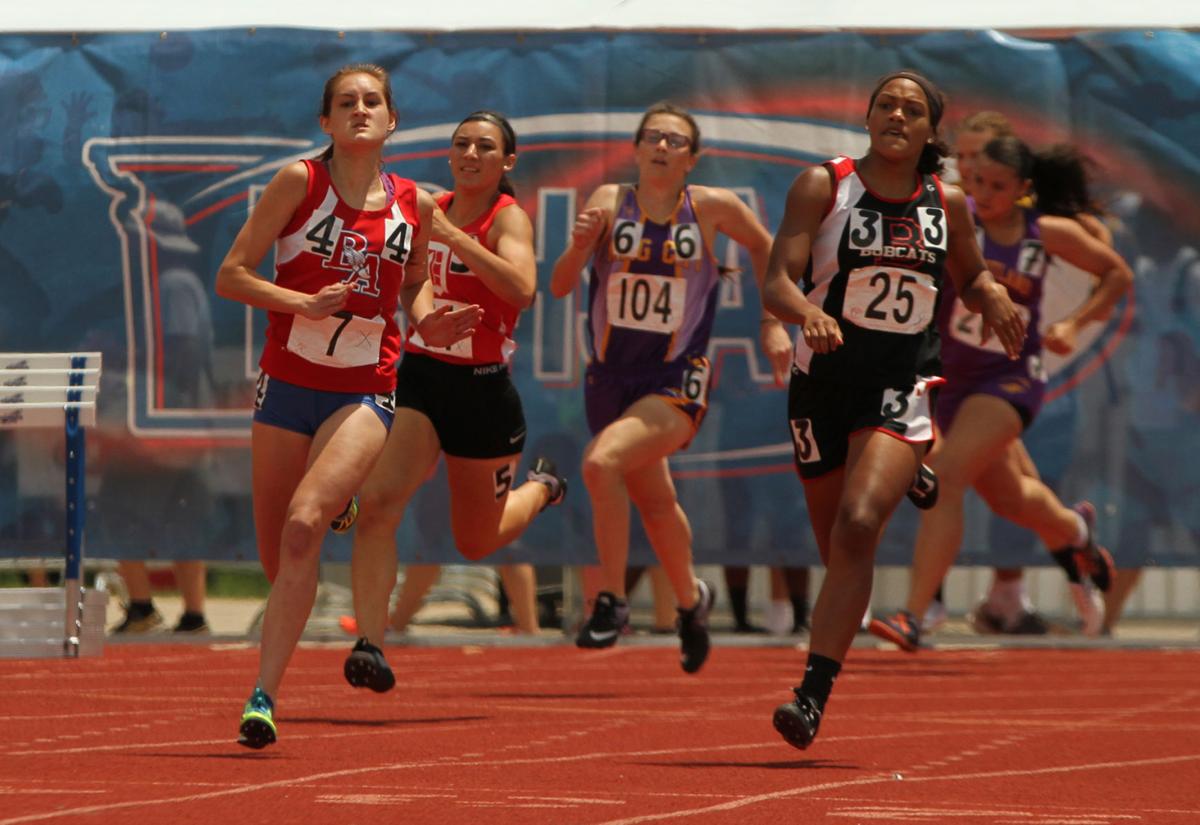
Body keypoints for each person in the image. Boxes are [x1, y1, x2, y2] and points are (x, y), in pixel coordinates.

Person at [215, 64, 478, 749]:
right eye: (345, 103)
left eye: (373, 102)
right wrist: (300, 301)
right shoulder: (298, 182)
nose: (360, 110)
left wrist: (428, 319)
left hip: (366, 385)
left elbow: (414, 284)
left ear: (393, 121)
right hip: (287, 383)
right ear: (325, 121)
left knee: (305, 526)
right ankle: (340, 502)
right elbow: (232, 274)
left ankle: (263, 695)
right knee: (280, 559)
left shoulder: (415, 203)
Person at [762, 70, 1026, 750]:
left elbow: (968, 273)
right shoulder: (825, 185)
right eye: (886, 105)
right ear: (870, 116)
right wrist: (806, 312)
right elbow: (777, 282)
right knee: (837, 549)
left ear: (929, 130)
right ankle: (908, 468)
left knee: (857, 525)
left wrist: (990, 293)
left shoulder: (949, 202)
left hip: (901, 380)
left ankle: (810, 696)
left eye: (912, 109)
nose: (897, 116)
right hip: (822, 383)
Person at [869, 134, 1134, 652]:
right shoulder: (948, 217)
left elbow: (1116, 273)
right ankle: (1074, 532)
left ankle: (915, 616)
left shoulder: (1043, 234)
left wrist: (1075, 324)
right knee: (1011, 498)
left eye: (997, 186)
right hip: (948, 378)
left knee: (943, 478)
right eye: (976, 183)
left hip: (1009, 379)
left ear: (1022, 190)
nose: (984, 194)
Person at [338, 110, 566, 692]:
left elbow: (523, 289)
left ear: (506, 162)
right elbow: (412, 278)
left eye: (485, 147)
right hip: (423, 377)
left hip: (483, 390)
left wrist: (457, 237)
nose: (470, 154)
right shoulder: (426, 205)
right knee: (381, 502)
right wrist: (424, 310)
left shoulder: (508, 218)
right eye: (461, 144)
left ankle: (542, 488)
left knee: (475, 541)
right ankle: (371, 643)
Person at [550, 102, 773, 673]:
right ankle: (690, 602)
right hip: (610, 377)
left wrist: (774, 322)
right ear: (637, 148)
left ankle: (613, 601)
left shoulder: (713, 208)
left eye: (676, 140)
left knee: (601, 465)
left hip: (676, 376)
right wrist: (579, 246)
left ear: (692, 158)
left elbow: (768, 247)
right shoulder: (606, 202)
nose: (663, 146)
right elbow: (556, 287)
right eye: (653, 137)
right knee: (653, 498)